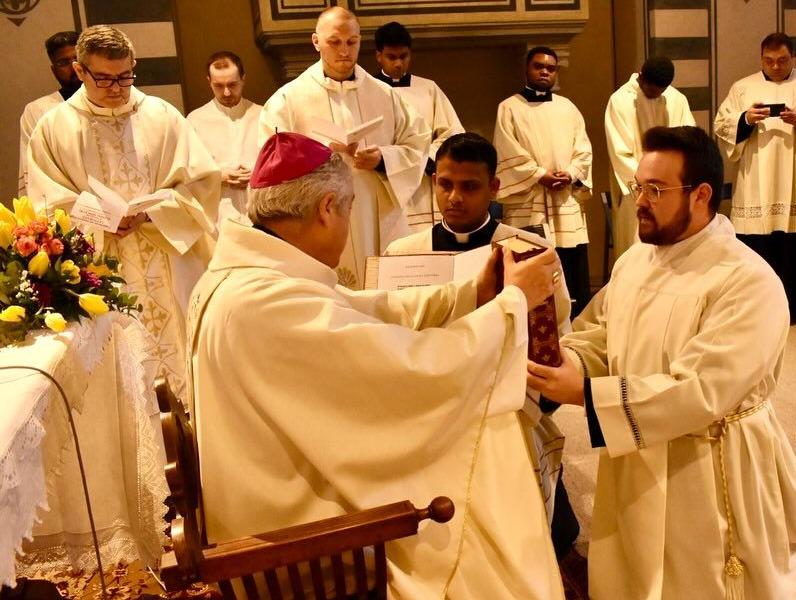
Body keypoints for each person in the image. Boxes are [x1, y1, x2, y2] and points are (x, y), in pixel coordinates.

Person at [191, 131, 564, 600]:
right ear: (328, 208)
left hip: (276, 490)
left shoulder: (249, 278)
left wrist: (473, 295)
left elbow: (364, 313)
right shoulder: (263, 302)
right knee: (486, 458)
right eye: (348, 211)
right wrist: (513, 304)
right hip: (294, 535)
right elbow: (411, 372)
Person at [528, 126, 796, 598]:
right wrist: (570, 361)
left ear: (701, 195)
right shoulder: (636, 261)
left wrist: (585, 393)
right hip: (636, 445)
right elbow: (601, 331)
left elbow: (703, 389)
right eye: (640, 186)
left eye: (655, 190)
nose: (640, 200)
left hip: (711, 458)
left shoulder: (747, 280)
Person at [385, 132, 581, 558]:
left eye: (470, 186)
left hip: (505, 401)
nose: (454, 197)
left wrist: (539, 397)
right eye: (445, 184)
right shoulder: (403, 253)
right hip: (430, 401)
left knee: (540, 533)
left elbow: (556, 333)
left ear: (493, 188)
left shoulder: (531, 251)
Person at [27, 25, 219, 404]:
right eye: (104, 79)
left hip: (169, 259)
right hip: (103, 266)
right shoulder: (54, 127)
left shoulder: (162, 116)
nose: (117, 88)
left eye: (125, 76)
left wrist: (151, 213)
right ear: (79, 72)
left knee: (189, 366)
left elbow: (201, 183)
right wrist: (102, 218)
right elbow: (47, 202)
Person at [259, 6, 430, 289]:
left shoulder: (384, 94)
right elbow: (269, 165)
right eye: (334, 42)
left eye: (352, 42)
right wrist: (321, 156)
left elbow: (417, 143)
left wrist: (383, 159)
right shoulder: (287, 101)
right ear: (316, 42)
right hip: (319, 216)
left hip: (376, 212)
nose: (344, 51)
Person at [714, 33, 796, 329]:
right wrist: (746, 119)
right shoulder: (743, 88)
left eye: (782, 60)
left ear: (792, 57)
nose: (775, 66)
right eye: (769, 61)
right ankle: (759, 308)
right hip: (758, 179)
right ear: (761, 58)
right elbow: (722, 123)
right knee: (760, 247)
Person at [494, 46, 593, 315]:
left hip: (564, 204)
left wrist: (571, 173)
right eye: (539, 66)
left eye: (551, 68)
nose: (544, 72)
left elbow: (583, 150)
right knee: (531, 266)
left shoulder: (568, 108)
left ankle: (573, 323)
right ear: (527, 69)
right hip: (530, 204)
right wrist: (539, 175)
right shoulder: (509, 108)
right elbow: (507, 151)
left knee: (570, 268)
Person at [372, 21, 464, 231]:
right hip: (386, 180)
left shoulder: (428, 88)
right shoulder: (368, 90)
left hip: (424, 182)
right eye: (391, 57)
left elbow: (453, 133)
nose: (398, 64)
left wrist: (427, 158)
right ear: (379, 55)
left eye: (403, 56)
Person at [605, 55, 694, 257]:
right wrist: (650, 187)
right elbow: (621, 153)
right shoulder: (620, 101)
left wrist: (672, 182)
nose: (657, 95)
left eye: (661, 91)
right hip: (637, 193)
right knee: (639, 252)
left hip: (671, 189)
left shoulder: (676, 98)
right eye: (652, 91)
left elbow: (687, 142)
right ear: (641, 78)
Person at [187, 51, 262, 221]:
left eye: (232, 84)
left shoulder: (263, 115)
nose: (226, 93)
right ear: (209, 81)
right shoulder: (194, 121)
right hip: (219, 216)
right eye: (218, 86)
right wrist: (221, 176)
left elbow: (278, 164)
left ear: (243, 78)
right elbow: (186, 174)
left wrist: (258, 173)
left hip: (260, 212)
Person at [18, 31, 81, 197]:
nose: (73, 66)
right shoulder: (37, 111)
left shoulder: (111, 102)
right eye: (64, 62)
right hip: (63, 205)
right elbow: (31, 169)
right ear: (54, 70)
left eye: (77, 58)